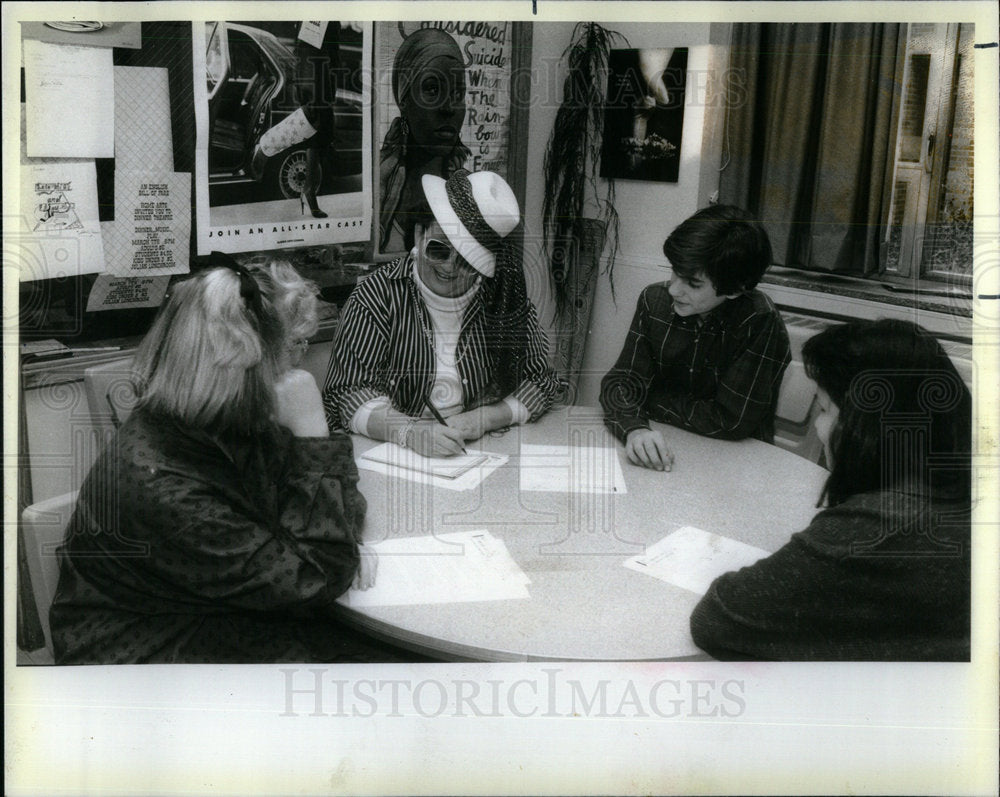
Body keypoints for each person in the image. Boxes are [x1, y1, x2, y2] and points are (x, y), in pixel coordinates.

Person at [48, 254, 406, 664]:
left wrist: (336, 533)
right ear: (244, 362)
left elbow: (332, 516)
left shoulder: (212, 418)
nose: (299, 362)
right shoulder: (164, 484)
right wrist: (311, 429)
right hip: (146, 660)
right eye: (294, 345)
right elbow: (318, 575)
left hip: (210, 613)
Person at [689, 319, 972, 661]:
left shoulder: (871, 527)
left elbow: (718, 617)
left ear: (865, 425)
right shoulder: (957, 498)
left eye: (824, 410)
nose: (819, 427)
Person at [325, 169, 560, 457]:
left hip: (476, 452)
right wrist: (411, 432)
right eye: (438, 250)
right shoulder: (376, 296)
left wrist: (484, 418)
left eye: (466, 262)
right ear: (418, 234)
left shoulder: (503, 298)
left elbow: (543, 381)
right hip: (393, 453)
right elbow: (345, 394)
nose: (449, 267)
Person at [600, 204, 790, 471]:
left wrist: (650, 400)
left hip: (735, 461)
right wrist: (635, 429)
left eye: (693, 283)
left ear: (735, 290)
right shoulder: (653, 300)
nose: (674, 289)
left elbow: (731, 420)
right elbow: (620, 382)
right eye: (675, 271)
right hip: (664, 442)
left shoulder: (759, 319)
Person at [379, 27, 471, 252]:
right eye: (432, 89)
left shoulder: (471, 197)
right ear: (404, 99)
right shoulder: (378, 187)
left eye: (458, 94)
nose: (449, 107)